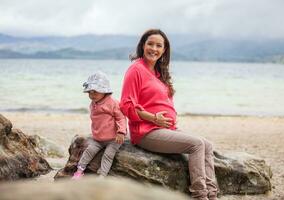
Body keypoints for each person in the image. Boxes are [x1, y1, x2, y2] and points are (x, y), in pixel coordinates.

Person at [119, 29, 218, 200]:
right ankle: (200, 196)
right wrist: (153, 118)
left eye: (159, 45)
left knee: (207, 145)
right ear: (143, 45)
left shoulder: (159, 72)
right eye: (150, 44)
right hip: (145, 132)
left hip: (165, 129)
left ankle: (212, 194)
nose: (154, 49)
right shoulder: (135, 70)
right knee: (196, 145)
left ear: (164, 50)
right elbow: (126, 106)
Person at [72, 71, 127, 179]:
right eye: (89, 93)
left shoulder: (112, 103)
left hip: (114, 138)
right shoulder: (93, 104)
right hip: (98, 138)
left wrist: (121, 131)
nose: (92, 95)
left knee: (108, 155)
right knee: (89, 151)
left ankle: (102, 175)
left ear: (104, 91)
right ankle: (79, 170)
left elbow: (121, 118)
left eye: (95, 92)